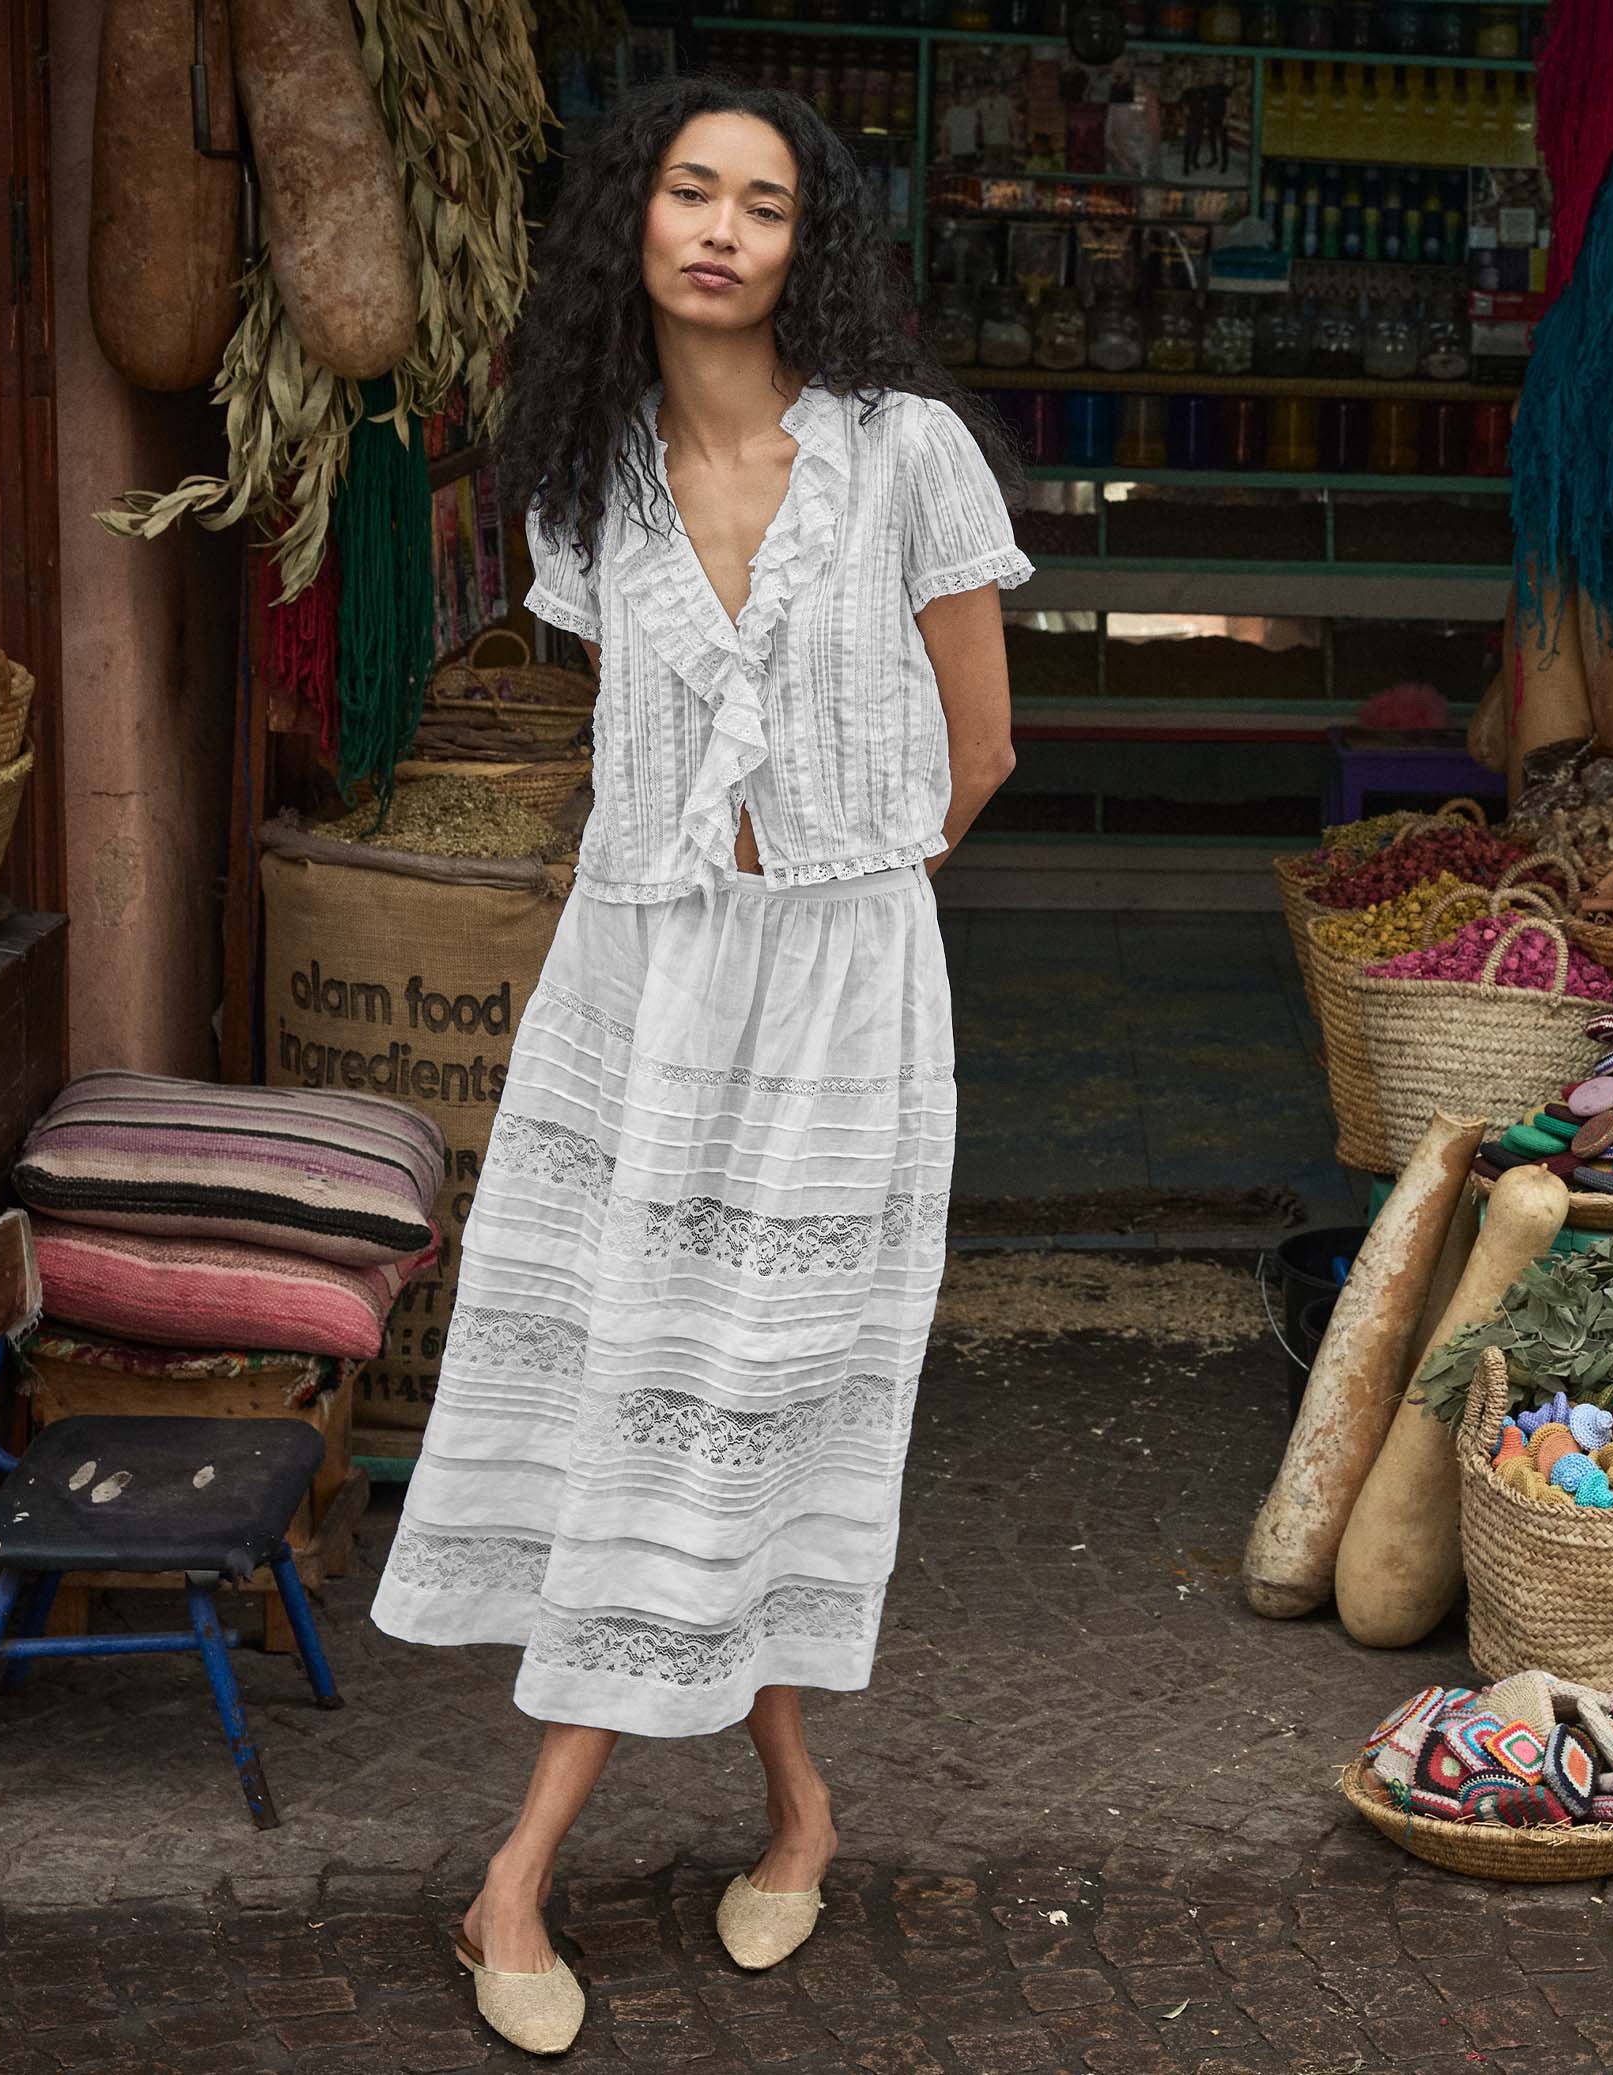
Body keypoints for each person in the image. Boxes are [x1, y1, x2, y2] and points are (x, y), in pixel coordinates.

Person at [370, 71, 1029, 2057]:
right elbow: (627, 751)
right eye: (690, 191)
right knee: (644, 1405)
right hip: (635, 985)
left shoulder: (906, 452)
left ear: (810, 245)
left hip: (838, 1009)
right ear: (635, 226)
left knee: (729, 1402)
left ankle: (515, 1880)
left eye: (767, 201)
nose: (726, 227)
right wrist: (700, 906)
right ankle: (800, 1805)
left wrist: (830, 896)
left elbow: (980, 753)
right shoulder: (589, 481)